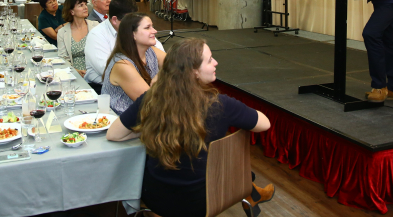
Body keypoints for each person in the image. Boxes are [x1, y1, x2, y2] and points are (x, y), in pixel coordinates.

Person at [107, 38, 273, 217]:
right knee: (235, 170)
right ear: (194, 72)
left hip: (155, 198)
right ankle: (251, 189)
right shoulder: (220, 105)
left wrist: (151, 130)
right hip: (202, 202)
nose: (216, 62)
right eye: (210, 60)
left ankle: (252, 188)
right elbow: (265, 124)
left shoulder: (150, 98)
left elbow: (114, 134)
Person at [85, 0, 164, 89]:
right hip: (102, 88)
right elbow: (106, 70)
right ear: (114, 20)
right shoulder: (97, 35)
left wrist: (159, 76)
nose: (134, 24)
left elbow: (169, 62)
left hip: (144, 84)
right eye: (129, 20)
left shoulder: (138, 32)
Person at [102, 12, 167, 115]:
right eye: (147, 28)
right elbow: (150, 102)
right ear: (133, 34)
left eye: (152, 27)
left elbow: (176, 64)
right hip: (126, 125)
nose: (154, 31)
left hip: (147, 118)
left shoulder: (151, 51)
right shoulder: (122, 65)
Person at [57, 0, 98, 76]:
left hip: (95, 71)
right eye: (81, 5)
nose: (85, 7)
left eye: (85, 4)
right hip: (73, 73)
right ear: (72, 11)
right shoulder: (62, 32)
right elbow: (63, 59)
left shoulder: (95, 26)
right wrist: (75, 71)